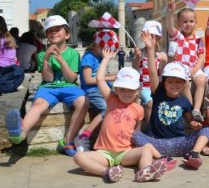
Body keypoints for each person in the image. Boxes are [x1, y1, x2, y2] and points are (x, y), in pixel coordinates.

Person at [73, 50, 173, 183]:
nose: (126, 93)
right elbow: (99, 79)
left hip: (125, 153)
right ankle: (107, 172)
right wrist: (106, 58)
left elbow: (136, 133)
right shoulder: (111, 99)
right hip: (104, 153)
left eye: (130, 90)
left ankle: (145, 170)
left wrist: (141, 148)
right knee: (79, 157)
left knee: (146, 150)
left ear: (137, 91)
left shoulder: (139, 109)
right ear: (116, 90)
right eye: (122, 89)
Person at [5, 15, 88, 156]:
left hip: (69, 87)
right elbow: (48, 79)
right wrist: (47, 59)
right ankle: (21, 132)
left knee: (83, 102)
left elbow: (71, 78)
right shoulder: (42, 54)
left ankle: (68, 140)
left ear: (67, 34)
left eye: (57, 29)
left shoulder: (73, 54)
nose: (54, 32)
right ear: (47, 36)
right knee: (38, 104)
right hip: (48, 88)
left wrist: (61, 60)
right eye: (50, 31)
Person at [132, 32, 209, 169]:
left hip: (179, 143)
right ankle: (161, 158)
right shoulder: (158, 93)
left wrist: (194, 124)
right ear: (164, 83)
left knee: (207, 130)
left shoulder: (185, 101)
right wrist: (150, 49)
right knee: (135, 135)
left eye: (178, 82)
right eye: (171, 81)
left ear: (184, 84)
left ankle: (193, 154)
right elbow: (152, 72)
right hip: (156, 142)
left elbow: (190, 121)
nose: (175, 85)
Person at [74, 29, 119, 152]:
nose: (109, 53)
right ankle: (84, 136)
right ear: (97, 45)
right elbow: (88, 79)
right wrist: (110, 77)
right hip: (93, 90)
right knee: (107, 109)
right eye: (107, 49)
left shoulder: (101, 57)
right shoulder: (88, 57)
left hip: (104, 89)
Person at [165, 2, 205, 117]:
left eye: (191, 21)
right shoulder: (178, 36)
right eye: (185, 21)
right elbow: (169, 27)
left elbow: (201, 57)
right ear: (179, 24)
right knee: (185, 84)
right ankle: (190, 107)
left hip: (194, 67)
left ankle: (196, 109)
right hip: (181, 68)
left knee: (201, 80)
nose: (188, 24)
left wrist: (196, 69)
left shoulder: (198, 40)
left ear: (196, 22)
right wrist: (170, 13)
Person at [133, 20, 168, 126]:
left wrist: (165, 61)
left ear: (159, 38)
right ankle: (149, 126)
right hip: (144, 87)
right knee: (150, 102)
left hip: (157, 86)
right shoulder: (140, 52)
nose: (150, 39)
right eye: (148, 35)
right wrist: (137, 58)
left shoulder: (161, 54)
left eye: (153, 36)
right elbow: (134, 69)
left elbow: (164, 73)